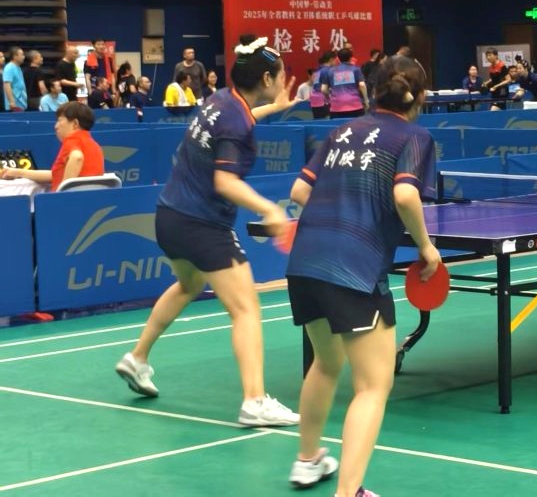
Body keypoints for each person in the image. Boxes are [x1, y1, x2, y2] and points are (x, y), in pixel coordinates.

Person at [114, 34, 301, 427]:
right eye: (282, 74)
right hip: (203, 225)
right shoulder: (238, 123)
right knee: (246, 308)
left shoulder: (221, 100)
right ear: (267, 78)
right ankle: (254, 401)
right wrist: (270, 208)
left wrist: (274, 107)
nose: (285, 79)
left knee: (188, 284)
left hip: (169, 216)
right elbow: (225, 182)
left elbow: (235, 124)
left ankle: (137, 357)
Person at [284, 55, 440, 497]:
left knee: (326, 362)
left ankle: (308, 459)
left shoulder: (340, 131)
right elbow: (405, 195)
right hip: (354, 268)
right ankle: (349, 492)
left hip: (305, 263)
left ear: (372, 91)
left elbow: (299, 191)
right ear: (420, 97)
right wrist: (426, 247)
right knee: (373, 385)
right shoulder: (414, 137)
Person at [0, 102, 104, 191]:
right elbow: (54, 175)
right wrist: (18, 172)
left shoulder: (72, 141)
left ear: (75, 124)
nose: (56, 126)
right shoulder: (95, 145)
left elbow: (77, 157)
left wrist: (63, 191)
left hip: (65, 203)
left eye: (59, 120)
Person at [321, 48, 368, 119]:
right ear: (351, 58)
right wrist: (366, 100)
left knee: (338, 126)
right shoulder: (356, 69)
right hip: (355, 105)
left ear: (338, 58)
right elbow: (362, 85)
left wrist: (328, 98)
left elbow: (323, 89)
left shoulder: (330, 71)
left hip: (336, 106)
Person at [310, 51, 336, 119]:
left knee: (319, 121)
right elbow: (324, 89)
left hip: (314, 101)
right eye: (335, 60)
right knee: (328, 121)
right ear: (331, 60)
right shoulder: (328, 70)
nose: (336, 62)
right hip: (324, 100)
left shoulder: (317, 70)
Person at [3, 47, 27, 112]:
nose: (24, 57)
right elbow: (7, 85)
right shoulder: (9, 68)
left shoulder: (18, 67)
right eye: (22, 55)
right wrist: (11, 102)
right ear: (15, 56)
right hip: (14, 106)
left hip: (21, 104)